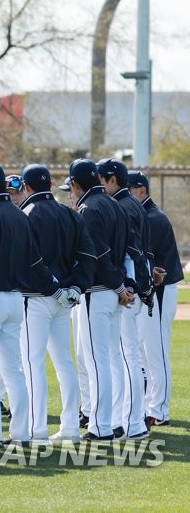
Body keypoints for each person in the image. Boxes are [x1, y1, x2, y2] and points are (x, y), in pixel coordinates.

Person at [0, 162, 52, 447]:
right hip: (16, 299)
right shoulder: (20, 215)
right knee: (14, 369)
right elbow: (34, 260)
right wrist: (54, 286)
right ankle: (21, 433)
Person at [16, 164, 95, 443]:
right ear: (49, 184)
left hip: (36, 298)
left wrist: (55, 288)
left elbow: (31, 259)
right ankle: (71, 427)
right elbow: (87, 254)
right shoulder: (68, 213)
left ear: (26, 187)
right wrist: (75, 286)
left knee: (32, 363)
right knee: (64, 362)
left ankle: (37, 430)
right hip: (64, 299)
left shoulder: (25, 214)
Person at [66, 159, 137, 441]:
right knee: (109, 358)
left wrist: (121, 286)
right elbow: (128, 252)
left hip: (99, 290)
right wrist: (126, 284)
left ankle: (100, 425)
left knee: (97, 360)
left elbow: (97, 256)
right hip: (113, 291)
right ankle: (116, 420)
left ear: (75, 183)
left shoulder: (89, 208)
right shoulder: (114, 205)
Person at [97, 158, 151, 440]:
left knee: (125, 355)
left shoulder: (120, 206)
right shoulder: (133, 203)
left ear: (112, 180)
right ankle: (129, 419)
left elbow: (130, 251)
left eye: (101, 180)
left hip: (128, 290)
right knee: (127, 355)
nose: (98, 185)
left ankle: (132, 423)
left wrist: (125, 285)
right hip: (137, 286)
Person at [128, 171, 184, 427]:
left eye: (130, 190)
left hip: (162, 291)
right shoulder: (144, 215)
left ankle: (159, 410)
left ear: (141, 190)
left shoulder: (153, 218)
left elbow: (157, 265)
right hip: (154, 290)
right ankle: (152, 405)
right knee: (145, 350)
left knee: (156, 351)